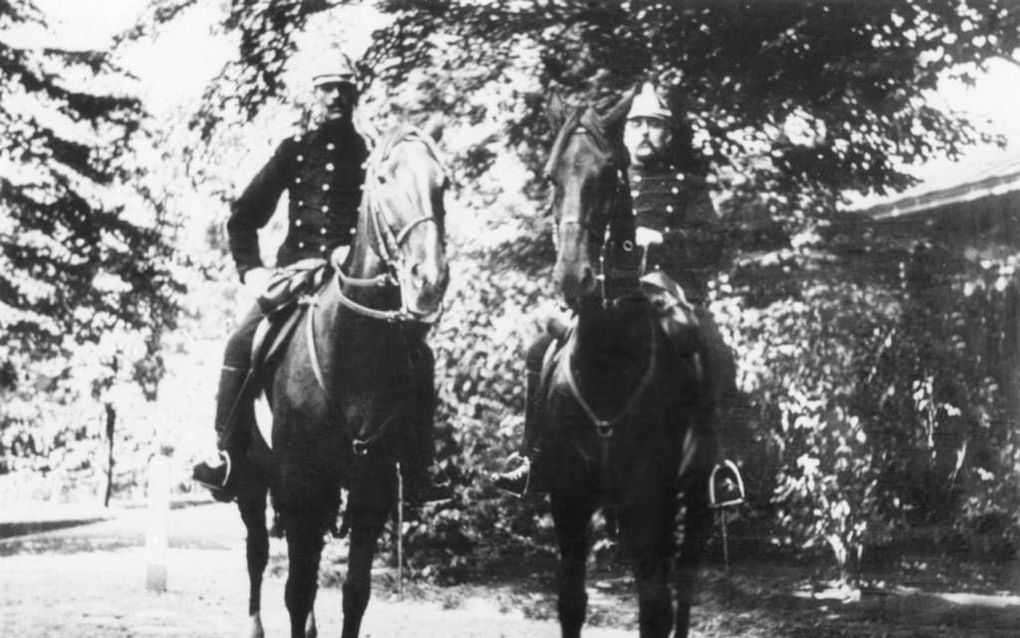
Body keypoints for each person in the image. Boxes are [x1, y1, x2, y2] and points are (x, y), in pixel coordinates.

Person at [192, 54, 450, 504]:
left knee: (417, 354)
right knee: (240, 343)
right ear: (314, 93)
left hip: (359, 284)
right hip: (298, 276)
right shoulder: (294, 150)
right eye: (327, 87)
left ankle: (417, 465)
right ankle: (228, 456)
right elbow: (244, 217)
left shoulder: (375, 154)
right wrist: (251, 271)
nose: (336, 95)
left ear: (355, 94)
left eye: (343, 87)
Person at [493, 81, 736, 497]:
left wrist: (663, 239)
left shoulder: (687, 184)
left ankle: (718, 467)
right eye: (637, 122)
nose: (644, 132)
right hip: (607, 288)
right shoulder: (604, 178)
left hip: (670, 288)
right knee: (539, 351)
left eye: (655, 124)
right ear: (623, 131)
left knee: (712, 347)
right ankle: (532, 458)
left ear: (669, 134)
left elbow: (713, 244)